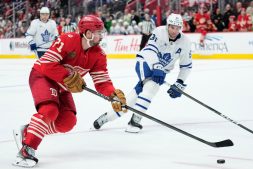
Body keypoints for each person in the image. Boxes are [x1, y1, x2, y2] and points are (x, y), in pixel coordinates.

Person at [12, 15, 127, 167]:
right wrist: (68, 75)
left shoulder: (99, 55)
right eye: (98, 32)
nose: (101, 35)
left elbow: (102, 82)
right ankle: (27, 149)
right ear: (87, 33)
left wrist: (113, 95)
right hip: (42, 76)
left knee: (67, 122)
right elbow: (47, 64)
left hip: (62, 86)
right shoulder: (68, 39)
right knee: (50, 110)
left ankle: (30, 130)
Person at [91, 13, 192, 133]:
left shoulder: (185, 42)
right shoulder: (159, 32)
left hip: (161, 71)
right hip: (146, 61)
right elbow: (150, 49)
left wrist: (179, 82)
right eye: (172, 27)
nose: (174, 30)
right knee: (151, 87)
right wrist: (157, 65)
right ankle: (135, 121)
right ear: (167, 26)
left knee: (133, 98)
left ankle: (105, 118)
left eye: (177, 28)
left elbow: (186, 66)